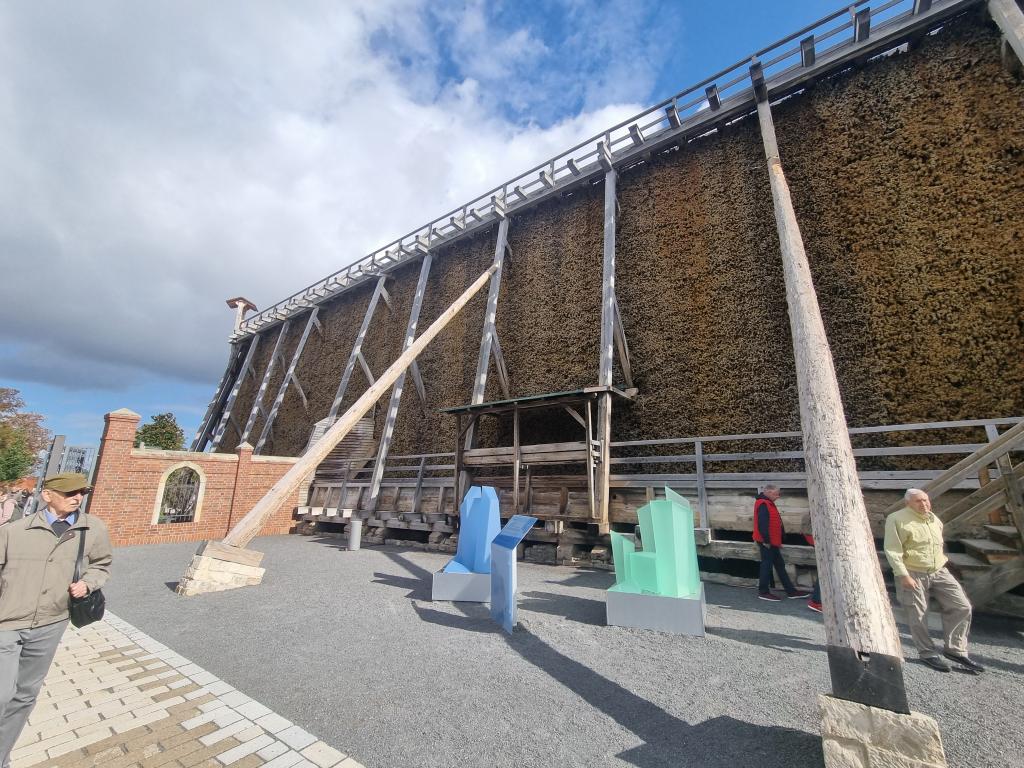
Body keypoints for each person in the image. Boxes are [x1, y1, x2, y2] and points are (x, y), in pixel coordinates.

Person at [0, 473, 112, 766]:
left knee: (25, 694)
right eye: (69, 492)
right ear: (48, 495)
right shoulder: (15, 531)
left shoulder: (92, 528)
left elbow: (102, 564)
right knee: (2, 693)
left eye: (80, 492)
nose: (77, 497)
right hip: (7, 621)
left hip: (51, 621)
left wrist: (88, 583)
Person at [884, 488, 983, 674]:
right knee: (918, 614)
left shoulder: (933, 518)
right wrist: (903, 575)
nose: (924, 504)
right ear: (908, 503)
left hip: (939, 570)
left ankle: (955, 649)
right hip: (913, 571)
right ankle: (927, 653)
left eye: (926, 500)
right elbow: (892, 550)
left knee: (962, 606)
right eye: (918, 501)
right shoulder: (896, 519)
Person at [753, 484, 810, 602]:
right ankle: (763, 592)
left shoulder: (767, 503)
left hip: (772, 541)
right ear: (768, 492)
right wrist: (767, 541)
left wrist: (780, 537)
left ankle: (791, 591)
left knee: (779, 565)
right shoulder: (763, 504)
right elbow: (762, 524)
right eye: (775, 494)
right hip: (767, 542)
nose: (778, 496)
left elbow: (776, 521)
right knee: (767, 565)